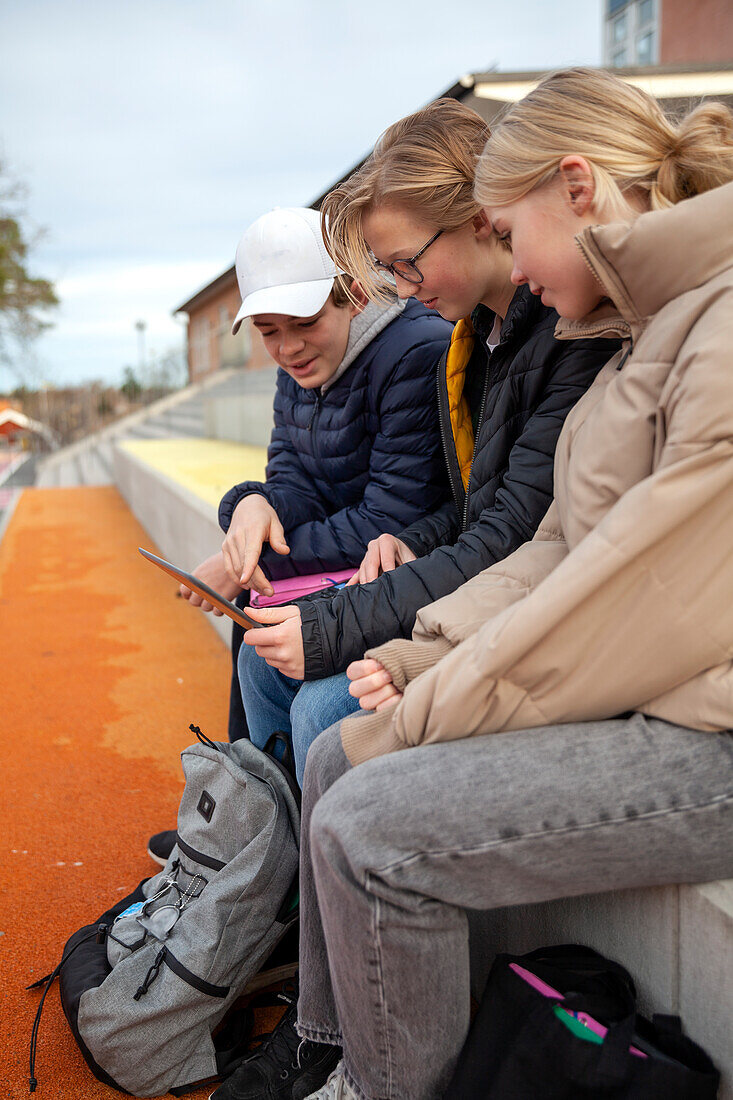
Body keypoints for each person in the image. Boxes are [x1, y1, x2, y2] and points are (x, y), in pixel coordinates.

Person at [214, 69, 733, 1100]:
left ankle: (366, 1070)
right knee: (340, 753)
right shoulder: (634, 327)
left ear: (575, 190)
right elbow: (553, 546)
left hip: (701, 727)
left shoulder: (681, 329)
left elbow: (626, 592)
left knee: (364, 811)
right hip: (663, 701)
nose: (409, 288)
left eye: (504, 224)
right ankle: (335, 1047)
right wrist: (419, 646)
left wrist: (437, 688)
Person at [236, 100, 617, 787]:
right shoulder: (480, 336)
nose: (403, 291)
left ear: (480, 222)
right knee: (262, 660)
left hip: (542, 619)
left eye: (405, 265)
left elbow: (514, 536)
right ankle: (260, 854)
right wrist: (413, 538)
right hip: (485, 590)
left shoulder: (553, 334)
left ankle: (287, 870)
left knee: (328, 708)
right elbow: (482, 509)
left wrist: (328, 622)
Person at [147, 206, 451, 864]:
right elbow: (293, 480)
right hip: (339, 578)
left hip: (405, 579)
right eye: (267, 331)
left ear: (352, 293)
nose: (286, 349)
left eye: (303, 323)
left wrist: (252, 560)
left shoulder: (415, 350)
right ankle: (254, 820)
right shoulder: (300, 366)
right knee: (253, 615)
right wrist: (252, 506)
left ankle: (268, 843)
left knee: (262, 609)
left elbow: (388, 519)